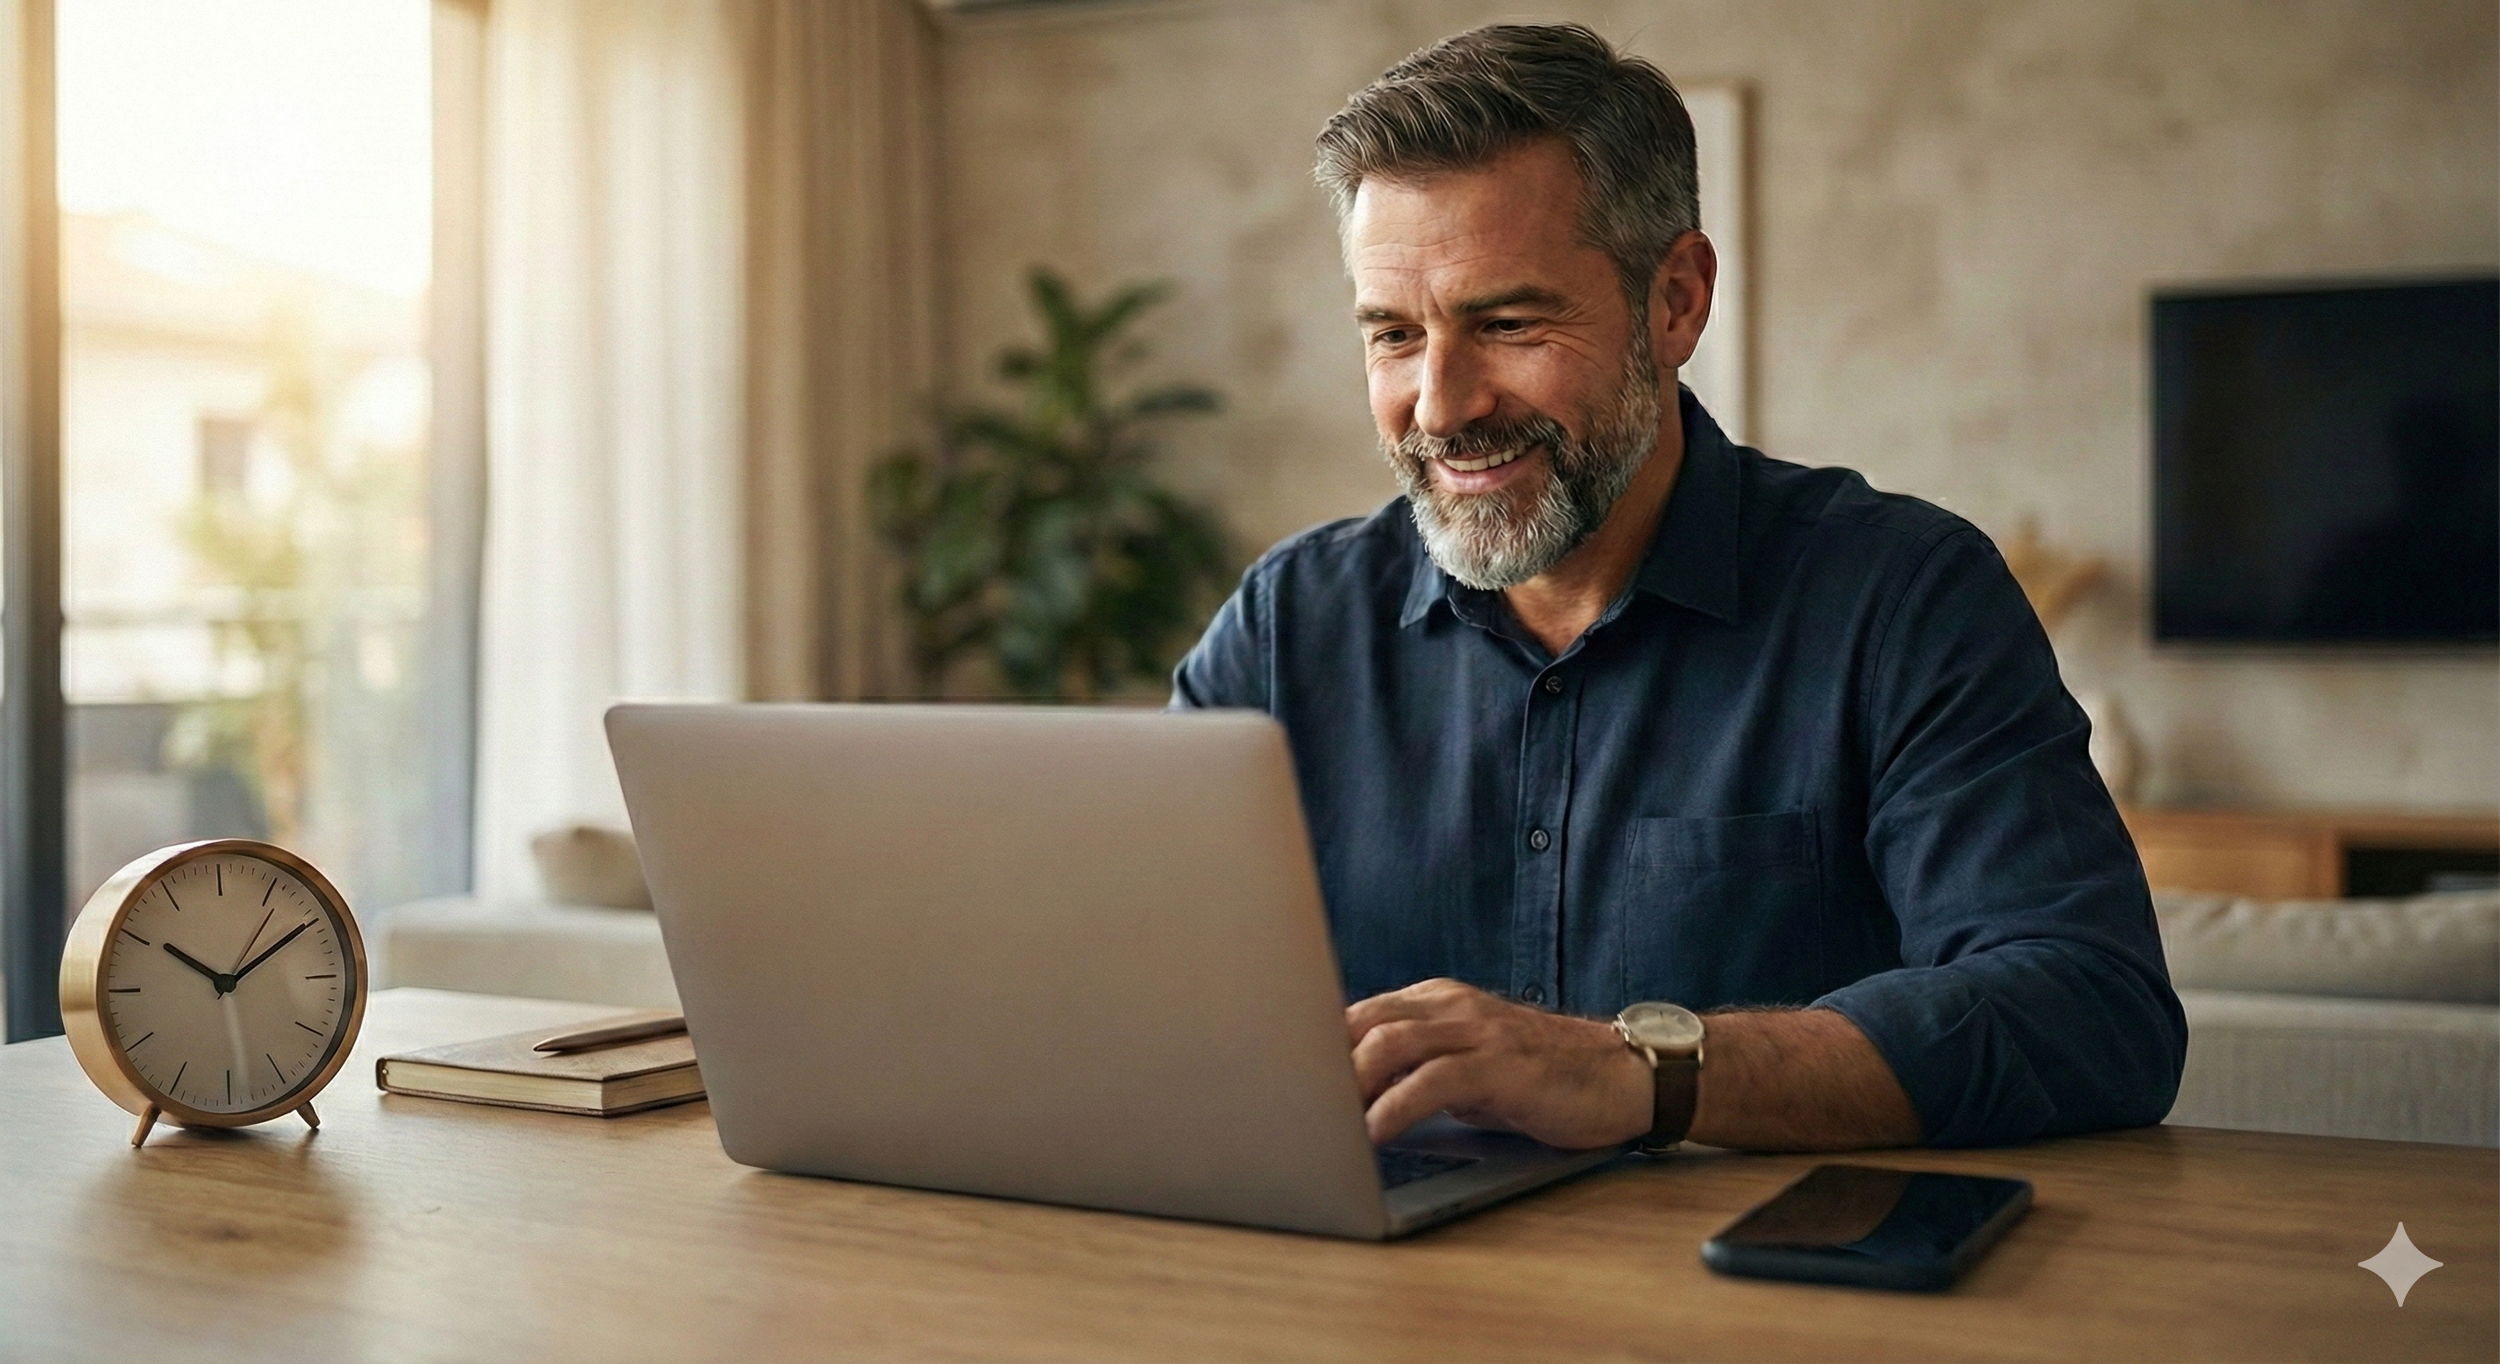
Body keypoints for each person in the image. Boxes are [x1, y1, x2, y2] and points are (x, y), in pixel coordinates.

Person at [1170, 23, 2185, 1153]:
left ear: (1676, 301)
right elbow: (1126, 976)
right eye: (1394, 335)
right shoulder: (1284, 626)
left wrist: (1640, 1067)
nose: (1440, 402)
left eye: (1505, 323)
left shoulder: (1902, 598)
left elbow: (2092, 1012)